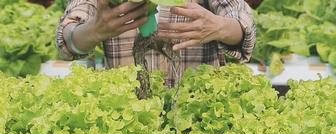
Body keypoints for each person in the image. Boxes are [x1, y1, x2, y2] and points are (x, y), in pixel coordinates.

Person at [56, 0, 256, 86]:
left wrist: (219, 27)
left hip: (194, 114)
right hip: (128, 119)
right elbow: (68, 40)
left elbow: (243, 26)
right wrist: (93, 31)